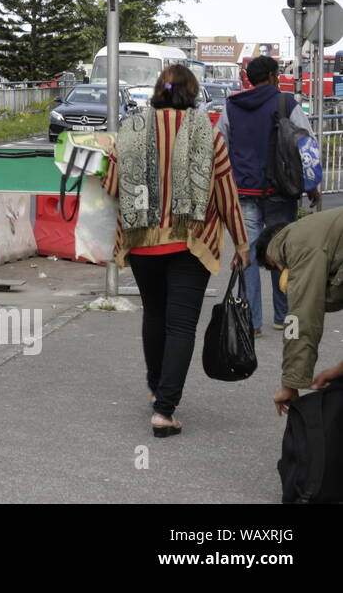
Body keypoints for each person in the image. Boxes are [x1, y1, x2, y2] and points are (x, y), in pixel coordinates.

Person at [102, 64, 248, 437]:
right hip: (191, 242)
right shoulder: (207, 132)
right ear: (192, 91)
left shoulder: (130, 131)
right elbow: (226, 193)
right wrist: (242, 243)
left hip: (141, 241)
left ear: (158, 90)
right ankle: (165, 410)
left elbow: (112, 186)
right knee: (180, 325)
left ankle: (156, 390)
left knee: (154, 315)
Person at [216, 55, 320, 336]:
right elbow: (306, 146)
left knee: (247, 252)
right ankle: (283, 315)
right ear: (274, 76)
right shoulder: (286, 104)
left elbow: (220, 147)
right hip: (280, 189)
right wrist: (312, 185)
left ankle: (251, 321)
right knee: (282, 249)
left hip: (244, 190)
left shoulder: (231, 107)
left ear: (248, 78)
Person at [256, 210, 343, 415]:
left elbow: (302, 319)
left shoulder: (295, 245)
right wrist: (339, 371)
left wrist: (290, 384)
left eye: (276, 267)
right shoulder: (322, 231)